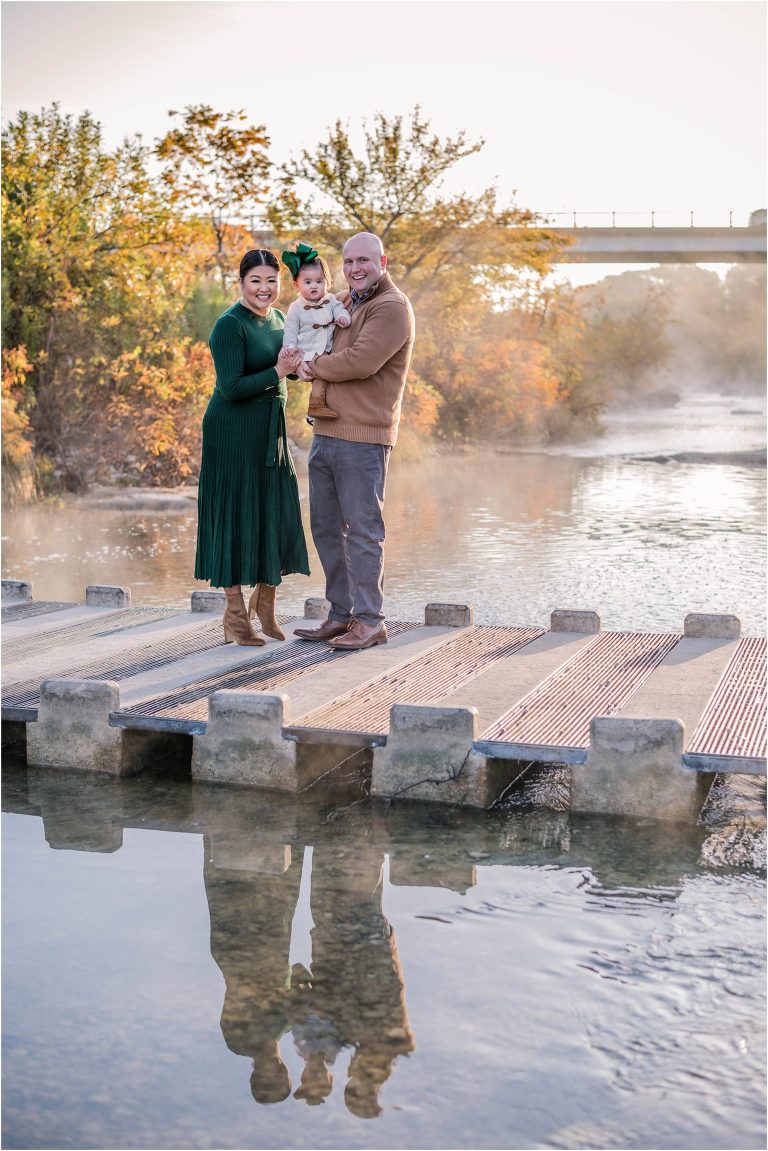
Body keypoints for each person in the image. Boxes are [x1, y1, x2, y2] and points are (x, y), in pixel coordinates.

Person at [294, 232, 415, 651]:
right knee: (327, 528)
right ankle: (340, 615)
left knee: (363, 531)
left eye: (363, 260)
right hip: (327, 430)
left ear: (383, 260)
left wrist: (311, 368)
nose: (354, 269)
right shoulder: (344, 302)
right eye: (347, 262)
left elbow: (361, 361)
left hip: (364, 437)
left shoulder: (391, 308)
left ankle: (370, 621)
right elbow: (310, 324)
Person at [194, 249, 309, 645]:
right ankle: (235, 616)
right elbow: (232, 386)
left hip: (270, 431)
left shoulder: (280, 318)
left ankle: (266, 604)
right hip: (232, 432)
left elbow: (282, 370)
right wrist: (279, 370)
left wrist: (293, 368)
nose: (265, 289)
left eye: (271, 281)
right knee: (235, 513)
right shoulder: (230, 325)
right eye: (256, 281)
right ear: (241, 283)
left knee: (274, 509)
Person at [280, 242, 351, 420]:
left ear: (327, 283)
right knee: (319, 377)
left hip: (327, 350)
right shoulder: (296, 308)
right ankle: (315, 408)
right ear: (296, 285)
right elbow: (290, 329)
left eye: (319, 281)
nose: (314, 286)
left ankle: (318, 407)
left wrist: (343, 317)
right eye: (308, 282)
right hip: (307, 350)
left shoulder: (331, 300)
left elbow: (339, 310)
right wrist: (289, 346)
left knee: (327, 377)